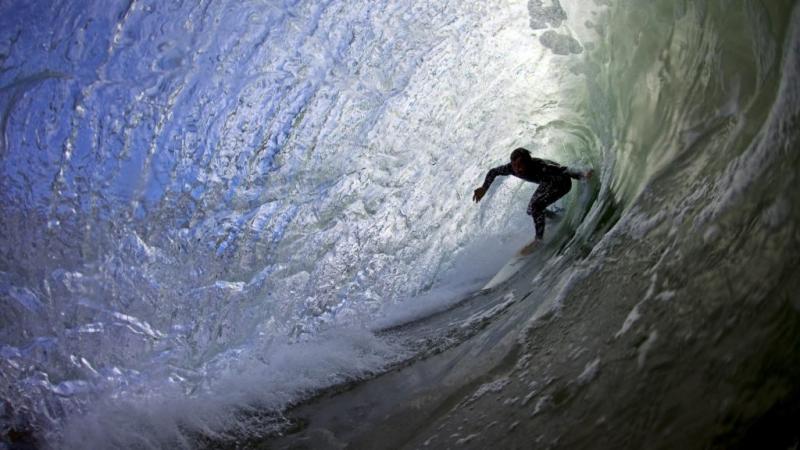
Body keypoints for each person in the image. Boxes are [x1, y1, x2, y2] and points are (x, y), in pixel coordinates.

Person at [473, 147, 592, 252]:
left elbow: (563, 170)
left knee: (536, 206)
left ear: (528, 162)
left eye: (520, 165)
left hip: (562, 183)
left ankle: (539, 240)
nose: (517, 169)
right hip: (547, 183)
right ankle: (557, 219)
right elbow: (494, 172)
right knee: (531, 210)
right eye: (515, 165)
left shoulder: (539, 166)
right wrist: (484, 188)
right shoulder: (511, 168)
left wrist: (582, 175)